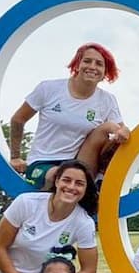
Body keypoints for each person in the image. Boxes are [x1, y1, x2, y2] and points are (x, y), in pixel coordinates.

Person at [9, 42, 130, 189]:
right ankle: (86, 187)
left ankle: (101, 180)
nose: (92, 67)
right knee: (64, 177)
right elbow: (18, 119)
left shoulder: (107, 100)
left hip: (79, 163)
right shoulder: (49, 89)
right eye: (87, 61)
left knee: (111, 127)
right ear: (77, 65)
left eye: (99, 64)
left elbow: (122, 131)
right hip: (43, 162)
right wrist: (15, 157)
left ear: (105, 72)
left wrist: (121, 132)